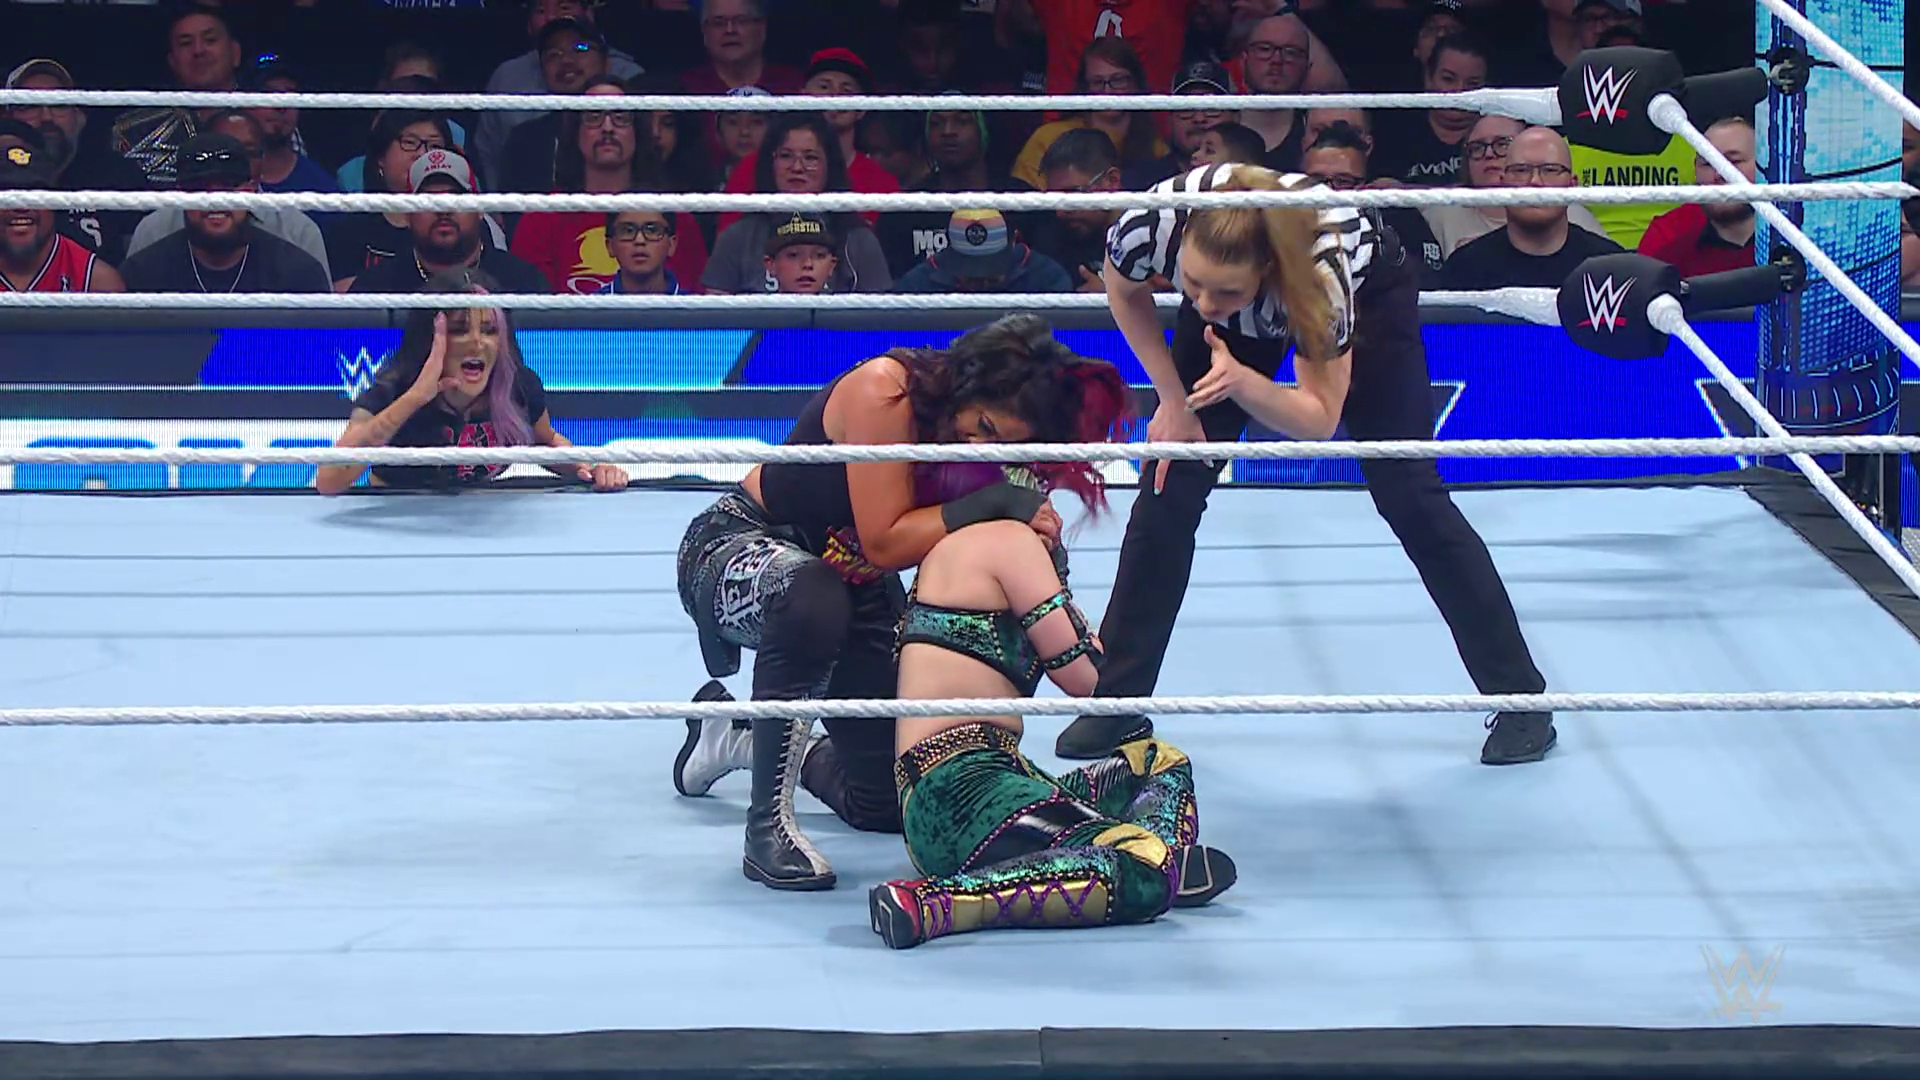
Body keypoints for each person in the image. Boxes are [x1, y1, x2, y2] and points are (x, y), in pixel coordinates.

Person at [1063, 162, 1553, 767]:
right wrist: (1172, 397)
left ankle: (1521, 700)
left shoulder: (1322, 272)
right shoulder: (1152, 224)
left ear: (1269, 271)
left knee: (1410, 495)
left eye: (1225, 294)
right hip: (1238, 304)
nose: (1206, 307)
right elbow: (1124, 291)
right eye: (1191, 285)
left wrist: (1244, 382)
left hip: (1367, 299)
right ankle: (1115, 703)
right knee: (1169, 484)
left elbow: (1319, 420)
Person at [673, 314, 1119, 891]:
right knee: (811, 594)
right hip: (738, 546)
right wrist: (995, 502)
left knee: (886, 800)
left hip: (853, 585)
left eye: (1002, 442)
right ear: (966, 382)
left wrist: (1035, 541)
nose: (981, 448)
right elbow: (884, 541)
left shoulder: (995, 454)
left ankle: (734, 736)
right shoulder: (885, 391)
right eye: (983, 425)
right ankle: (766, 830)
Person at [869, 461, 1238, 950]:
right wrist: (1058, 574)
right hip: (961, 799)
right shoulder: (1010, 543)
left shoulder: (944, 547)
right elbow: (1090, 683)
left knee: (1156, 762)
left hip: (980, 782)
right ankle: (935, 904)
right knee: (1146, 870)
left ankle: (1137, 859)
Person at [314, 271, 628, 495]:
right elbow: (329, 480)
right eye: (460, 329)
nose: (478, 343)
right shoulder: (395, 386)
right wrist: (416, 397)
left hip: (480, 520)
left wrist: (591, 468)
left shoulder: (516, 387)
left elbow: (545, 441)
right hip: (399, 514)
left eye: (490, 330)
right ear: (430, 339)